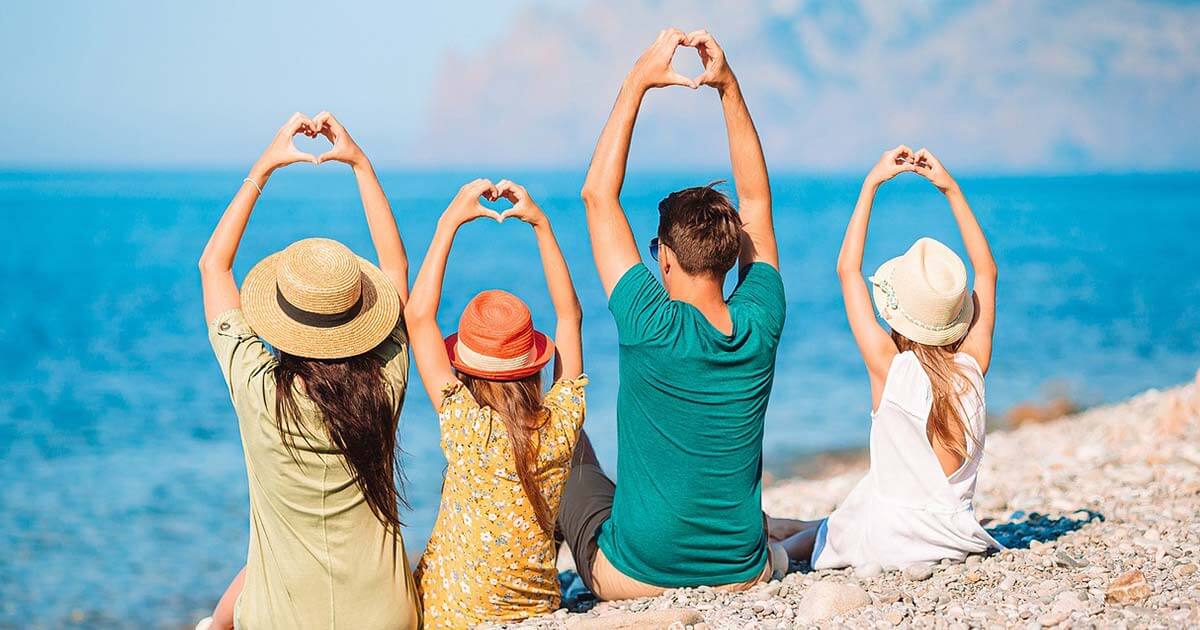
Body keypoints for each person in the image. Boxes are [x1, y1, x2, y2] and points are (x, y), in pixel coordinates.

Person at [556, 29, 788, 601]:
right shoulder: (761, 319)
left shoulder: (648, 323)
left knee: (564, 449)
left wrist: (637, 80)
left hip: (633, 577)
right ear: (734, 254)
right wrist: (728, 88)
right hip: (742, 571)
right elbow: (756, 202)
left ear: (662, 255)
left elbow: (597, 197)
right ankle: (785, 545)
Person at [195, 112, 420, 630]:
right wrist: (361, 164)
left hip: (282, 620)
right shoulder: (385, 381)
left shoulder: (256, 387)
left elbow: (213, 266)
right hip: (387, 617)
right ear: (359, 316)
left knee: (232, 603)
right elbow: (397, 269)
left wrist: (266, 166)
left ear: (282, 316)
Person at [776, 146, 1003, 569]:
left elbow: (848, 270)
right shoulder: (973, 366)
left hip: (889, 542)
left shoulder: (890, 367)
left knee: (824, 533)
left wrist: (871, 184)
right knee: (849, 512)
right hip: (955, 537)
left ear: (899, 316)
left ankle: (776, 551)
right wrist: (951, 189)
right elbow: (986, 271)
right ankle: (790, 528)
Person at [405, 179, 586, 628]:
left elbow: (418, 316)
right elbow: (570, 316)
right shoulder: (561, 426)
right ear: (534, 364)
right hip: (538, 610)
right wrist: (541, 225)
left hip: (448, 615)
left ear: (463, 367)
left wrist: (450, 220)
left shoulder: (468, 427)